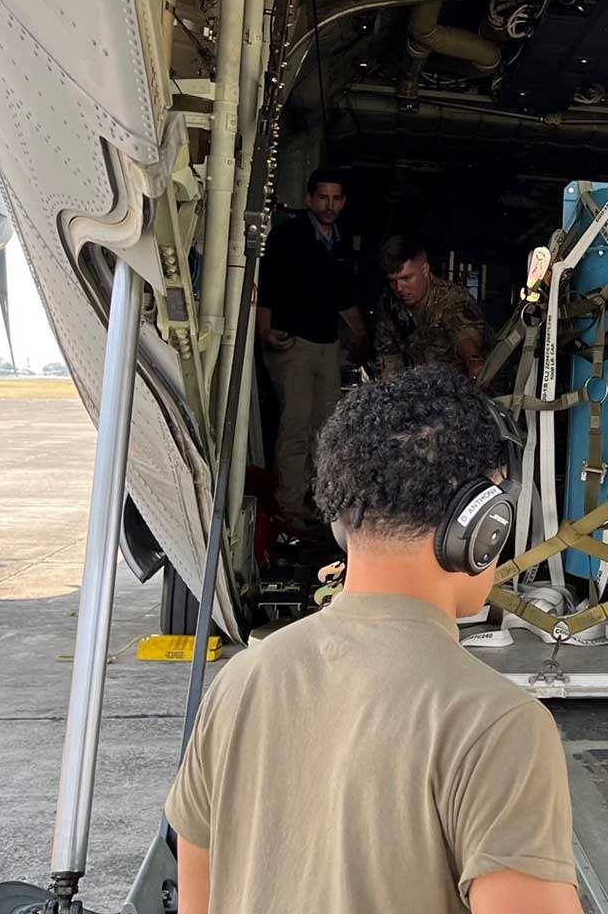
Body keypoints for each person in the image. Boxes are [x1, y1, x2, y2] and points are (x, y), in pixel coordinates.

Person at [167, 367, 581, 914]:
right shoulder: (496, 724)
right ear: (483, 525)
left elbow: (198, 894)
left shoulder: (240, 680)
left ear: (341, 520)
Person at [257, 168, 366, 525]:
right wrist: (264, 328)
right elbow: (267, 284)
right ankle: (289, 506)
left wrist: (362, 337)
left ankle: (317, 503)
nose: (329, 205)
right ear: (309, 199)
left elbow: (344, 296)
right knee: (296, 426)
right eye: (323, 197)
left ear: (344, 202)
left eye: (336, 198)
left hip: (328, 346)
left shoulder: (339, 241)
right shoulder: (287, 236)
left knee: (327, 429)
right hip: (295, 344)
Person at [374, 235, 490, 380]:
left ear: (425, 269)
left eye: (406, 278)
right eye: (393, 281)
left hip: (456, 390)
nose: (399, 288)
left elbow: (465, 335)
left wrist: (473, 361)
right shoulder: (388, 305)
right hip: (414, 390)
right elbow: (389, 355)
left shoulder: (453, 299)